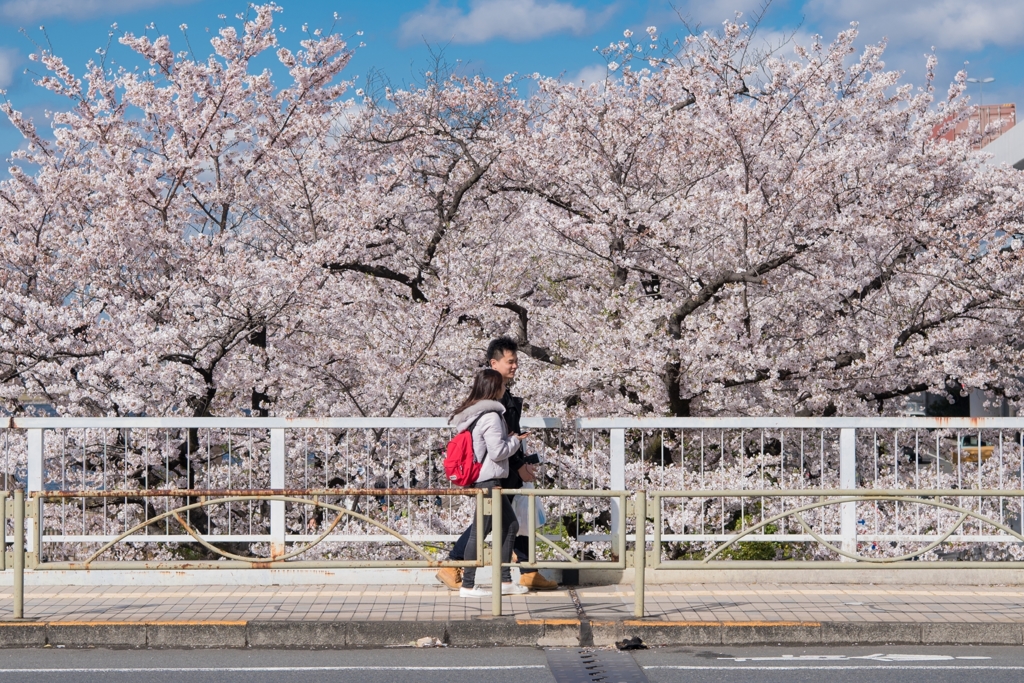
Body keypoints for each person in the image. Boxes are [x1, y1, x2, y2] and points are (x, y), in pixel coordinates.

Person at [436, 337, 559, 591]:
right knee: (493, 522)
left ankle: (524, 570)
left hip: (503, 468)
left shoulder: (501, 396)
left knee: (511, 520)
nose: (515, 366)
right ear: (494, 363)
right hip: (499, 471)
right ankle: (459, 565)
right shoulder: (495, 402)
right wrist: (519, 464)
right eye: (510, 361)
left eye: (516, 361)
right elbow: (501, 443)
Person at [448, 368, 529, 597]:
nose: (505, 389)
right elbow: (497, 452)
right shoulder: (492, 416)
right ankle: (468, 585)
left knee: (509, 525)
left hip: (488, 480)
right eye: (502, 386)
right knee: (480, 531)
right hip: (489, 481)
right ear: (495, 389)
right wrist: (514, 441)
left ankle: (504, 581)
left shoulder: (475, 415)